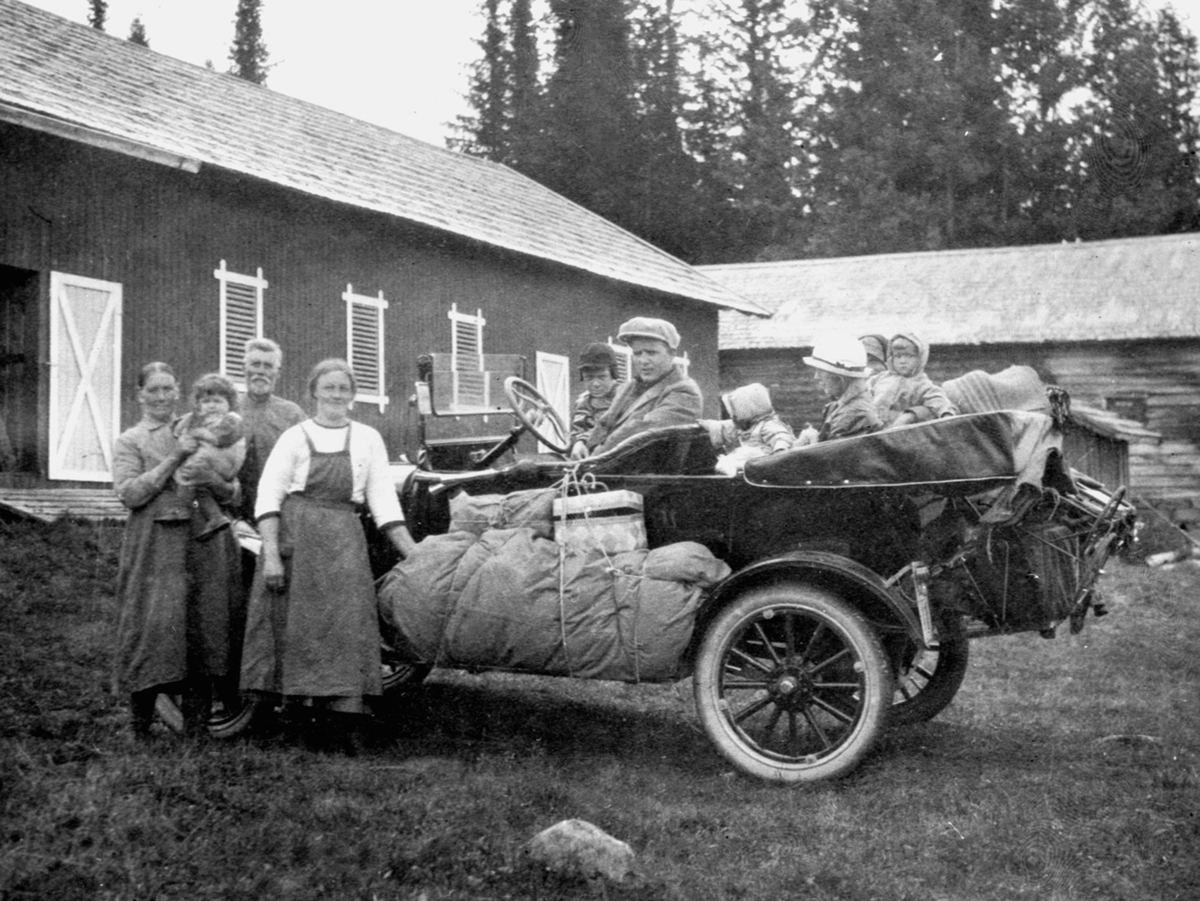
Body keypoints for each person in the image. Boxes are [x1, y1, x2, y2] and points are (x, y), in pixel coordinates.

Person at [239, 358, 418, 751]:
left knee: (347, 627)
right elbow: (267, 499)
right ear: (314, 392)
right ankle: (300, 722)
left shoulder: (369, 438)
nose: (336, 395)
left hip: (343, 541)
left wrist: (415, 555)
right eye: (329, 387)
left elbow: (385, 504)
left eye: (343, 388)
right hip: (297, 540)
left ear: (352, 396)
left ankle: (344, 723)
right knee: (300, 630)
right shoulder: (295, 437)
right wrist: (270, 556)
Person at [112, 362, 245, 739]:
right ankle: (140, 729)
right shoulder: (132, 439)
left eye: (168, 389)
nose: (161, 397)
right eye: (153, 390)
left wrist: (214, 478)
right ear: (140, 395)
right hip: (154, 545)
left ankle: (197, 731)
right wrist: (174, 458)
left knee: (203, 627)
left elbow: (234, 491)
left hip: (201, 539)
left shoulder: (204, 426)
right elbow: (130, 494)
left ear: (177, 391)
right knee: (151, 628)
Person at [570, 318, 702, 458]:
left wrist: (591, 459)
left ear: (672, 354)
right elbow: (604, 424)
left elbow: (637, 435)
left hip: (647, 475)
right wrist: (582, 442)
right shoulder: (629, 388)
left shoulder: (684, 392)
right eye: (637, 353)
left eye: (652, 353)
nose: (643, 361)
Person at [235, 338, 305, 522]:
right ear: (244, 368)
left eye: (268, 366)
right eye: (255, 364)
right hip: (231, 509)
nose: (260, 371)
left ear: (277, 373)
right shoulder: (228, 408)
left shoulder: (292, 414)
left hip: (277, 509)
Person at [173, 373, 246, 539]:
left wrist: (199, 433)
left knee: (186, 472)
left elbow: (220, 439)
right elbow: (178, 429)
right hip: (215, 465)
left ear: (230, 404)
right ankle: (215, 517)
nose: (211, 406)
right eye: (206, 401)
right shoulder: (200, 419)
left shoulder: (232, 419)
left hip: (226, 461)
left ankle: (180, 507)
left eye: (217, 401)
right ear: (198, 405)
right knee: (201, 488)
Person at [798, 335, 883, 444]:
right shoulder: (845, 407)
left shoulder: (854, 414)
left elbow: (830, 459)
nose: (816, 376)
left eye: (821, 371)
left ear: (839, 377)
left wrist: (811, 441)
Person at [869, 332, 958, 428]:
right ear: (891, 357)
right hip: (871, 427)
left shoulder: (922, 384)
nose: (903, 361)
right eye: (898, 356)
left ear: (920, 359)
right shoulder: (879, 378)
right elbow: (864, 393)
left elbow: (937, 399)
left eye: (909, 356)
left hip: (898, 432)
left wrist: (946, 414)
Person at [707, 382, 795, 474]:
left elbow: (781, 437)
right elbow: (726, 428)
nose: (733, 417)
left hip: (768, 464)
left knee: (730, 462)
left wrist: (779, 451)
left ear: (747, 411)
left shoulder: (768, 425)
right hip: (755, 465)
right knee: (727, 462)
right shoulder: (750, 427)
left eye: (735, 413)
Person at [571, 342, 623, 442]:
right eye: (589, 378)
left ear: (613, 375)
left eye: (602, 377)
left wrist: (583, 439)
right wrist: (578, 443)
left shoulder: (625, 398)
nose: (595, 384)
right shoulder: (582, 403)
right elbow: (575, 432)